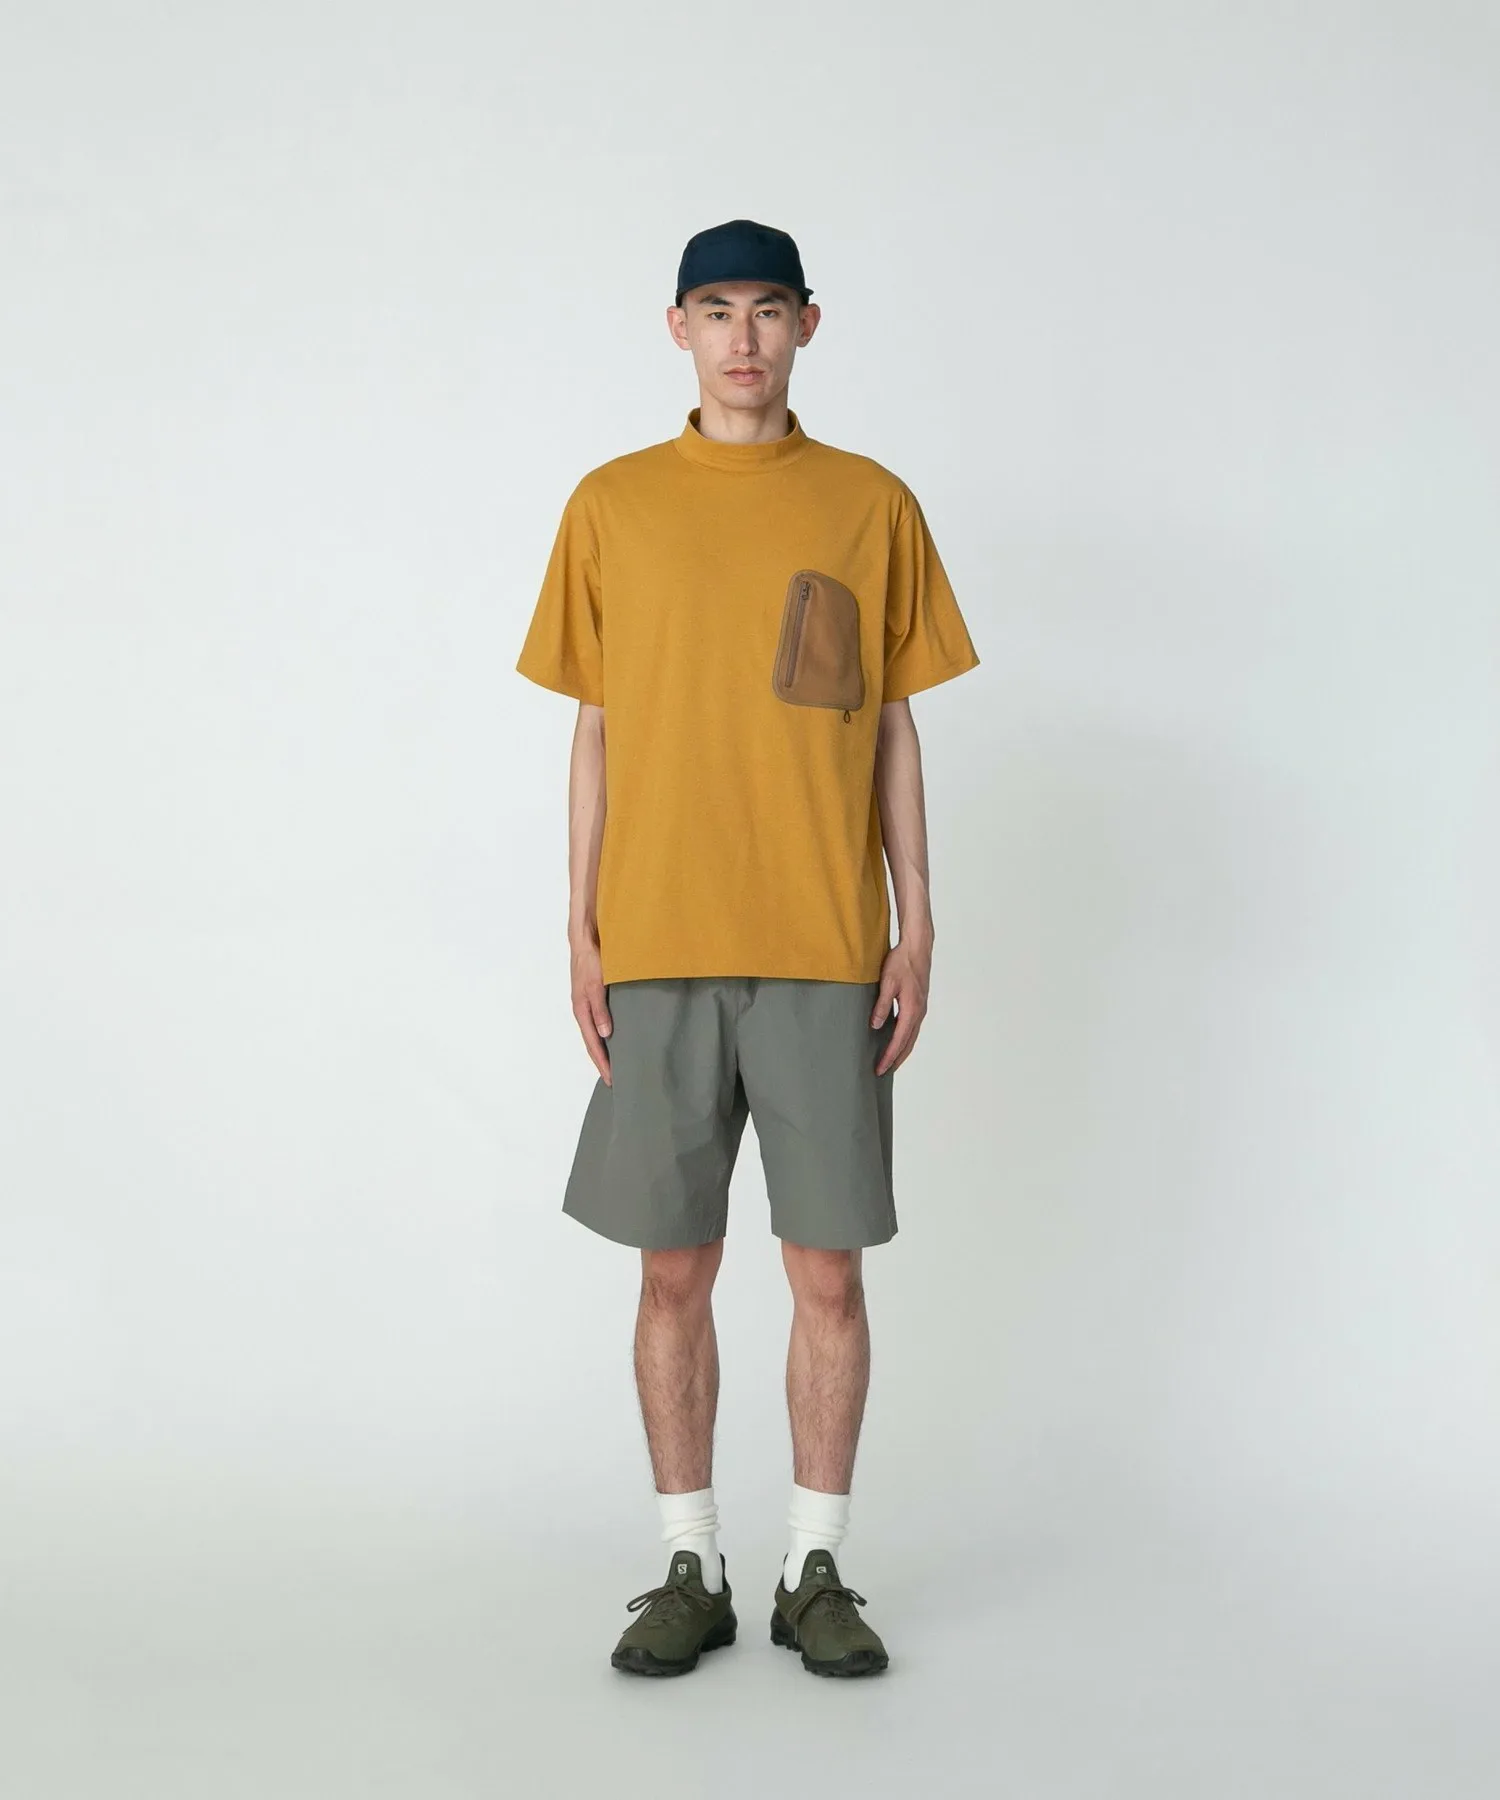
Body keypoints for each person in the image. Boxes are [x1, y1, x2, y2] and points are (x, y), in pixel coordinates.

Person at [515, 218, 980, 1678]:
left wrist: (916, 919)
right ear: (678, 328)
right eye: (715, 309)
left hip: (826, 944)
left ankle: (814, 1567)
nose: (742, 337)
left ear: (807, 325)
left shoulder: (870, 504)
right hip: (656, 941)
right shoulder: (612, 505)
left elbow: (893, 724)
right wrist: (580, 924)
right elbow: (593, 728)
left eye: (767, 309)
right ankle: (690, 1563)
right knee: (674, 1272)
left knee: (827, 1274)